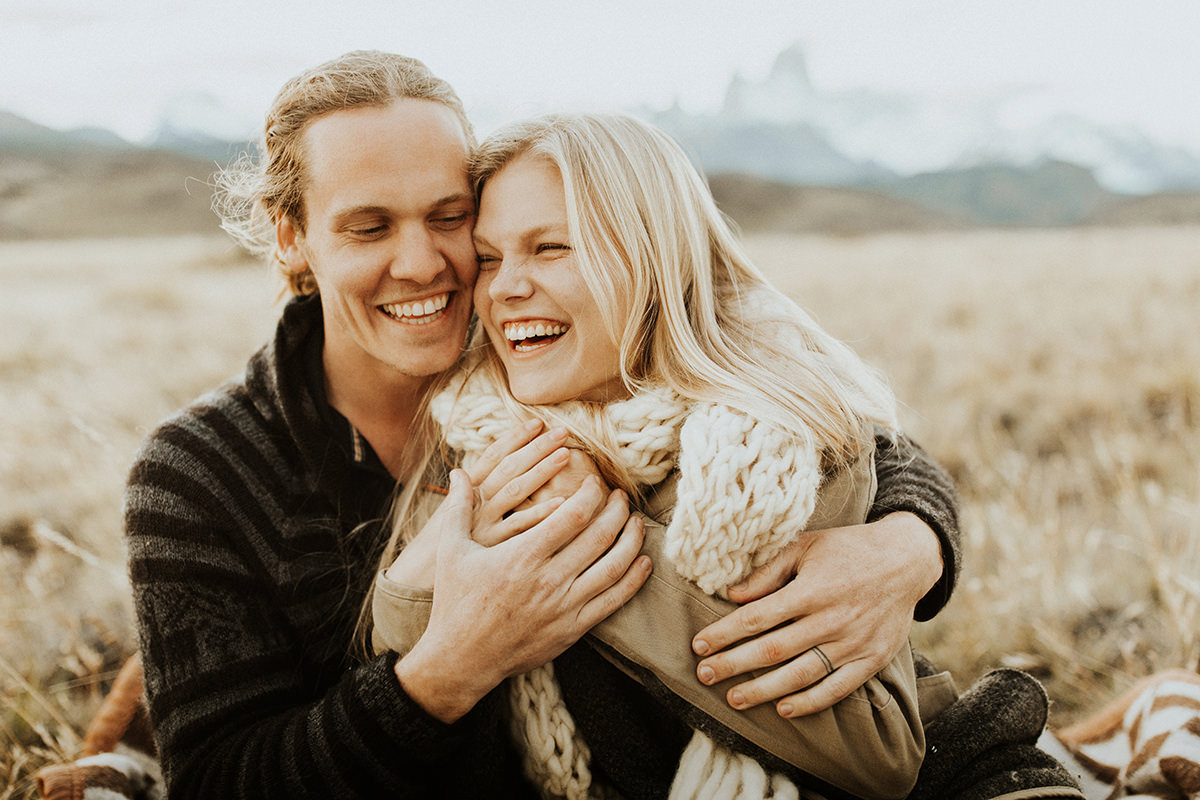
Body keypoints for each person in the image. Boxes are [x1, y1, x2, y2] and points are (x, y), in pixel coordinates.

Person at [121, 51, 964, 798]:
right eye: (369, 227)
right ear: (292, 237)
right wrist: (449, 668)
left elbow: (797, 398)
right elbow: (219, 778)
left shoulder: (543, 357)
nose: (426, 265)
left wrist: (911, 541)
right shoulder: (200, 471)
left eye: (450, 219)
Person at [371, 112, 927, 799]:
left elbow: (879, 753)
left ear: (653, 260)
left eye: (551, 248)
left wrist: (577, 539)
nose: (505, 287)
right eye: (488, 257)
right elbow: (400, 630)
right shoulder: (484, 425)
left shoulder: (779, 448)